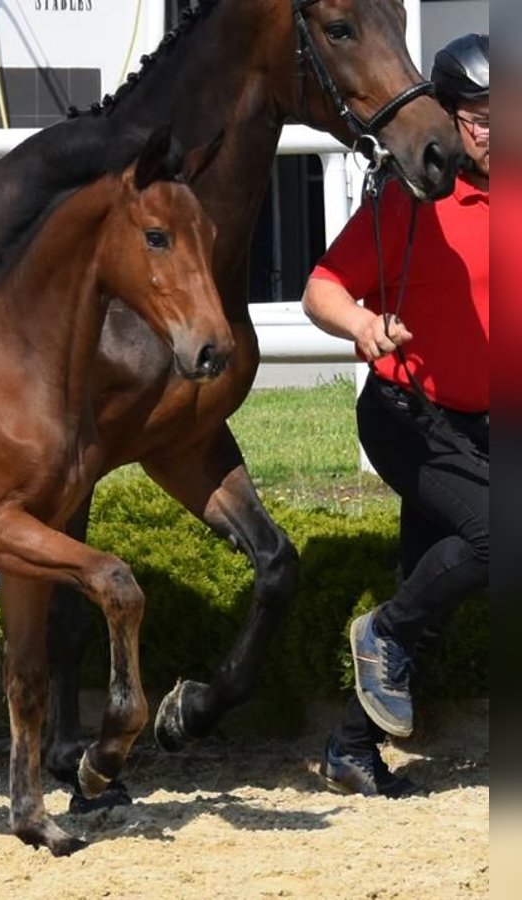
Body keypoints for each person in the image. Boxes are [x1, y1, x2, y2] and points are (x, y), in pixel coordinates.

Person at [301, 33, 489, 797]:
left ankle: (350, 748)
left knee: (427, 593)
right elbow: (322, 285)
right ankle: (379, 631)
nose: (494, 128)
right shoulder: (415, 201)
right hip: (409, 417)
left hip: (483, 426)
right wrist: (363, 327)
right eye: (478, 116)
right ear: (445, 116)